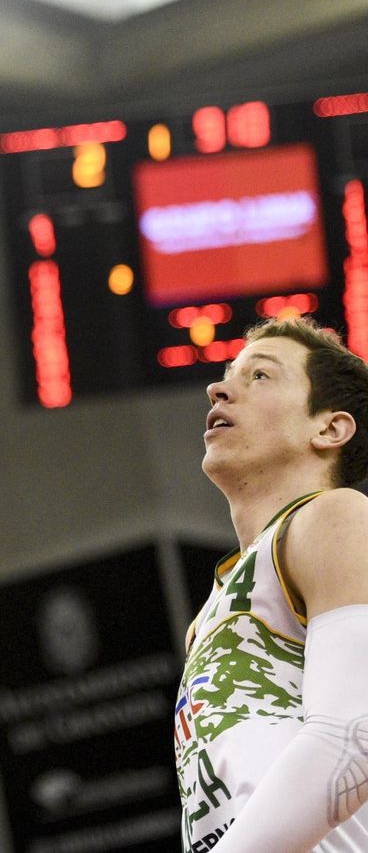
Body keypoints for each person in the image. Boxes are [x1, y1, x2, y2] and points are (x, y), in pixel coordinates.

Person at [177, 317, 368, 851]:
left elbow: (356, 738)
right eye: (227, 374)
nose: (219, 388)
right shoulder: (214, 608)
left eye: (260, 376)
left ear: (329, 429)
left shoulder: (336, 517)